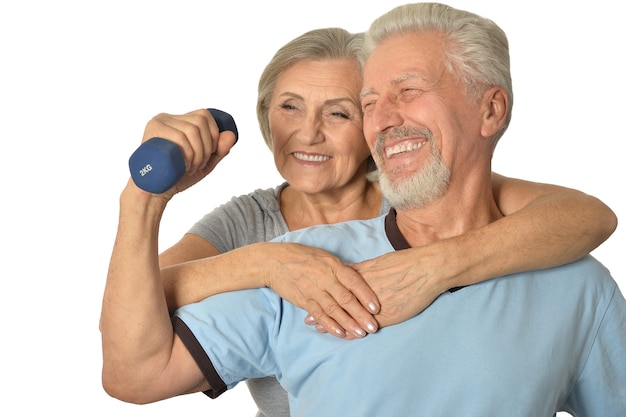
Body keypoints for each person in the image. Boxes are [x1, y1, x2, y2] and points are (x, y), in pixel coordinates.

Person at [100, 11, 624, 417]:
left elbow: (585, 215)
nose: (309, 134)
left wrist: (434, 267)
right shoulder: (277, 249)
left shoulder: (569, 274)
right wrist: (258, 259)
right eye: (372, 101)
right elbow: (133, 359)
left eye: (344, 110)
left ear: (491, 109)